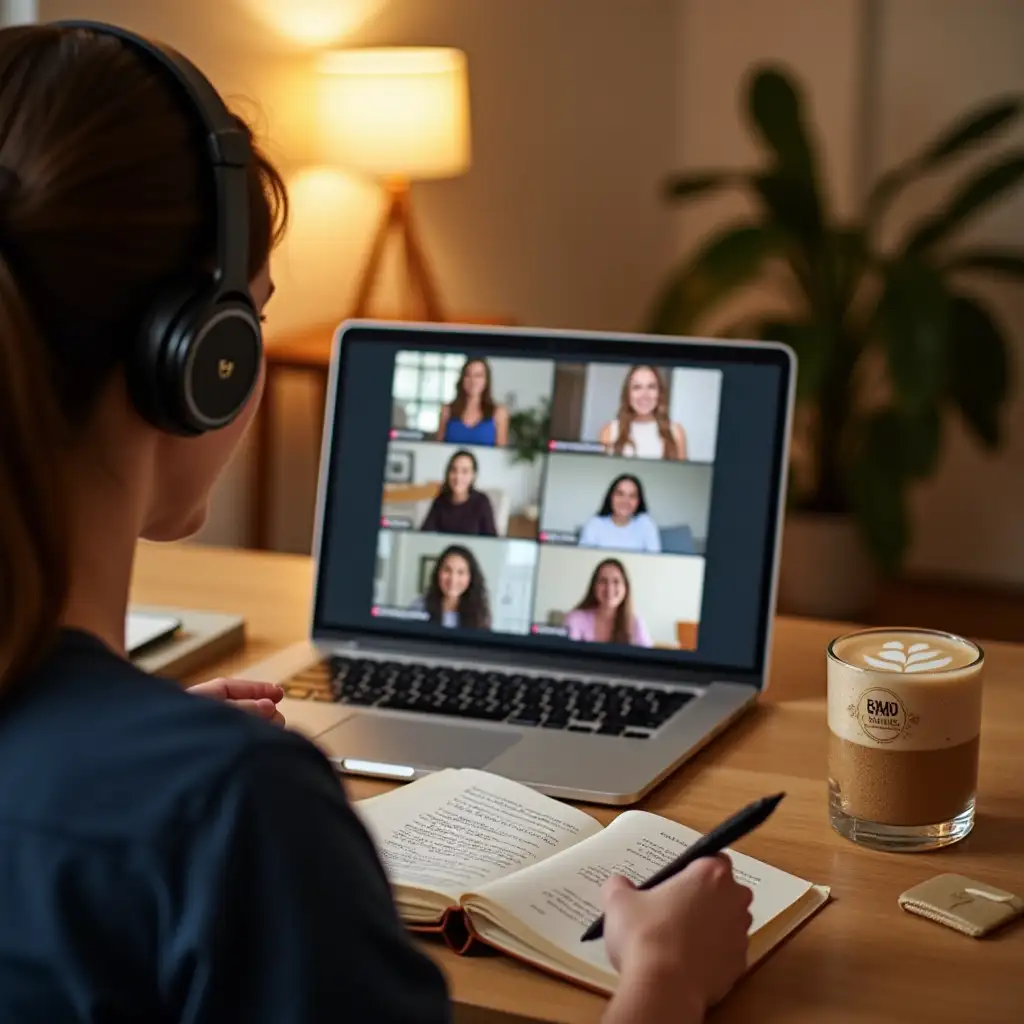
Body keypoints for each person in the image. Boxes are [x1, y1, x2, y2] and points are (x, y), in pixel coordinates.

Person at [0, 22, 753, 1024]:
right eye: (254, 315)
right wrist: (666, 976)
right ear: (199, 357)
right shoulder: (239, 811)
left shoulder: (202, 798)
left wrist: (135, 738)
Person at [598, 364, 688, 460]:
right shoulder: (609, 431)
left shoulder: (676, 431)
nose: (644, 394)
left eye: (651, 387)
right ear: (628, 394)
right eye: (637, 387)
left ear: (659, 393)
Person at [563, 558, 653, 647]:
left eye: (616, 581)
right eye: (603, 581)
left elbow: (648, 659)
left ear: (626, 588)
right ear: (594, 587)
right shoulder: (575, 619)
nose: (609, 588)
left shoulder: (635, 623)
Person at [411, 544, 492, 629]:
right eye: (447, 570)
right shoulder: (419, 606)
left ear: (471, 577)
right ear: (438, 573)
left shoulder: (480, 614)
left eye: (461, 572)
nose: (453, 579)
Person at [420, 449, 498, 536]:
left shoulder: (482, 502)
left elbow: (492, 541)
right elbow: (424, 535)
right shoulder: (440, 501)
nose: (458, 477)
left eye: (465, 471)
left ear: (473, 476)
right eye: (454, 470)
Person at [435, 356, 510, 446]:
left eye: (478, 376)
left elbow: (500, 454)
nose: (473, 381)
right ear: (462, 379)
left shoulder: (499, 413)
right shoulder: (447, 411)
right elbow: (437, 449)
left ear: (486, 381)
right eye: (468, 375)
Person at [578, 473, 661, 553]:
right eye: (620, 494)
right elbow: (583, 560)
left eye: (632, 496)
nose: (625, 501)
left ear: (639, 501)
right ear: (611, 497)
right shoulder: (594, 524)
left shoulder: (647, 525)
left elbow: (655, 563)